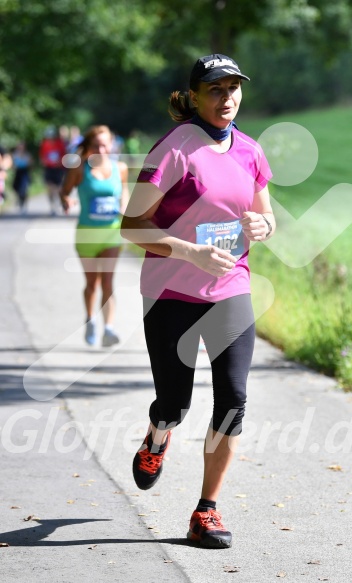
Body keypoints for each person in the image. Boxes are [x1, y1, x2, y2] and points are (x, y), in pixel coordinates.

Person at [121, 53, 276, 548]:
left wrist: (263, 226)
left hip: (231, 289)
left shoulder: (250, 150)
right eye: (215, 89)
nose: (227, 98)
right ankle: (156, 437)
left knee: (232, 402)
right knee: (174, 403)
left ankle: (206, 510)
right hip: (171, 292)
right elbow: (132, 226)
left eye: (234, 88)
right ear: (194, 96)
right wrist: (189, 251)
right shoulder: (173, 149)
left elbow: (265, 216)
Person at [59, 125, 129, 347]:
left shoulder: (121, 168)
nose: (101, 149)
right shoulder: (80, 168)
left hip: (111, 232)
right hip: (87, 234)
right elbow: (64, 191)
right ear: (89, 147)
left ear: (112, 145)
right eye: (96, 145)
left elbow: (123, 191)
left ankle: (108, 329)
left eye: (105, 144)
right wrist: (66, 201)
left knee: (108, 282)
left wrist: (124, 208)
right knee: (92, 284)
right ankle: (90, 320)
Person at [39, 126, 67, 215]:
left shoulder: (60, 144)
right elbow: (42, 156)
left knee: (59, 188)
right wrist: (44, 161)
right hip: (49, 168)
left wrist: (59, 162)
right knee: (50, 188)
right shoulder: (44, 144)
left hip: (58, 169)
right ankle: (52, 206)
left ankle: (60, 203)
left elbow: (64, 155)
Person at [12, 142, 33, 213]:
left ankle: (24, 205)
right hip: (18, 173)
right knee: (16, 188)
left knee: (23, 190)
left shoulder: (27, 155)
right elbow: (12, 164)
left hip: (25, 173)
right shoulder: (15, 154)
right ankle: (19, 200)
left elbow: (31, 164)